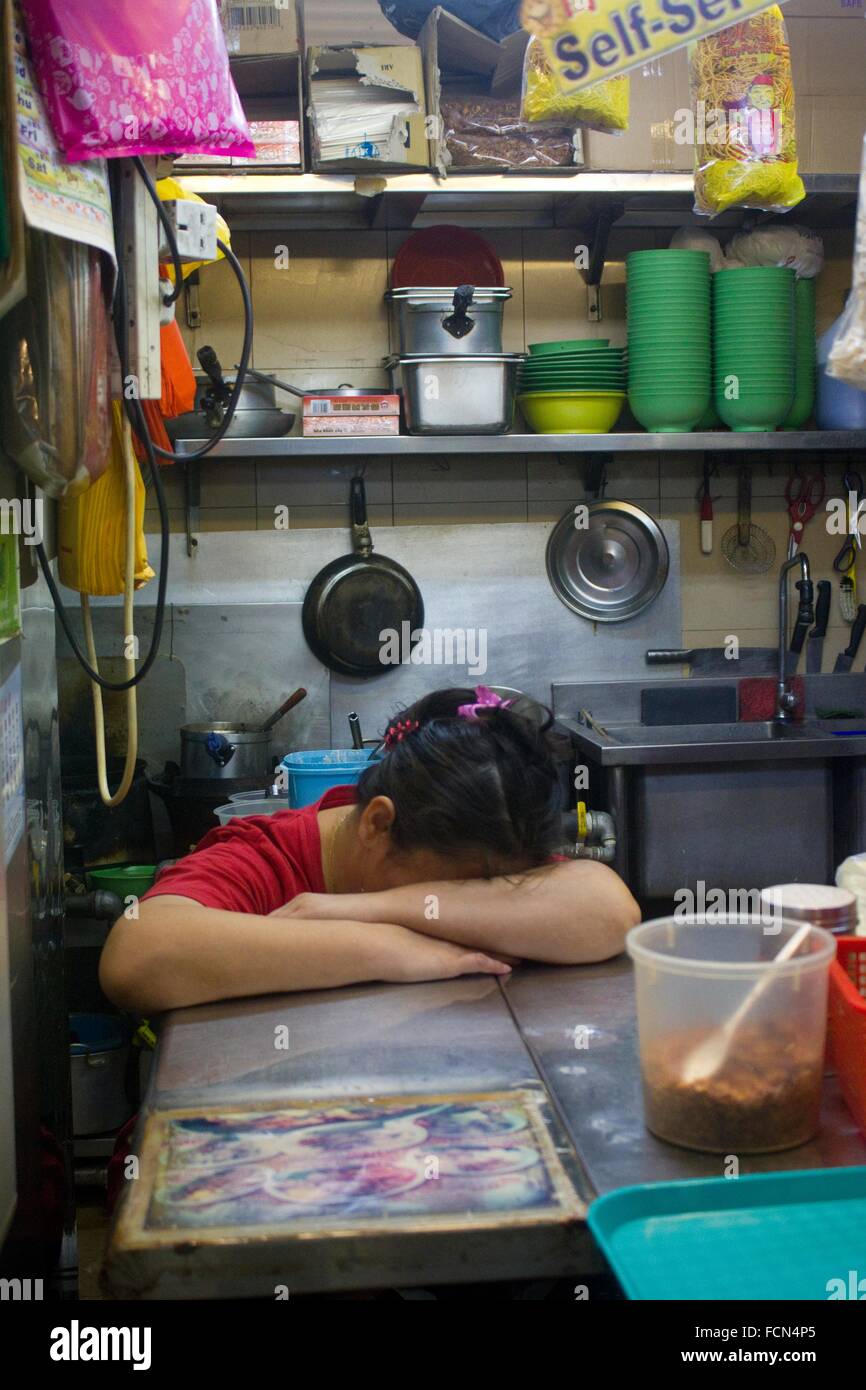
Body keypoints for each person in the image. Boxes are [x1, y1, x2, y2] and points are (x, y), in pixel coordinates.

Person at [100, 687, 639, 1013]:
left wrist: (354, 909)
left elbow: (609, 911)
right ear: (378, 824)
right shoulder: (268, 854)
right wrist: (386, 950)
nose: (454, 903)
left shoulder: (489, 838)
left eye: (480, 891)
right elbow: (136, 958)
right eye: (447, 885)